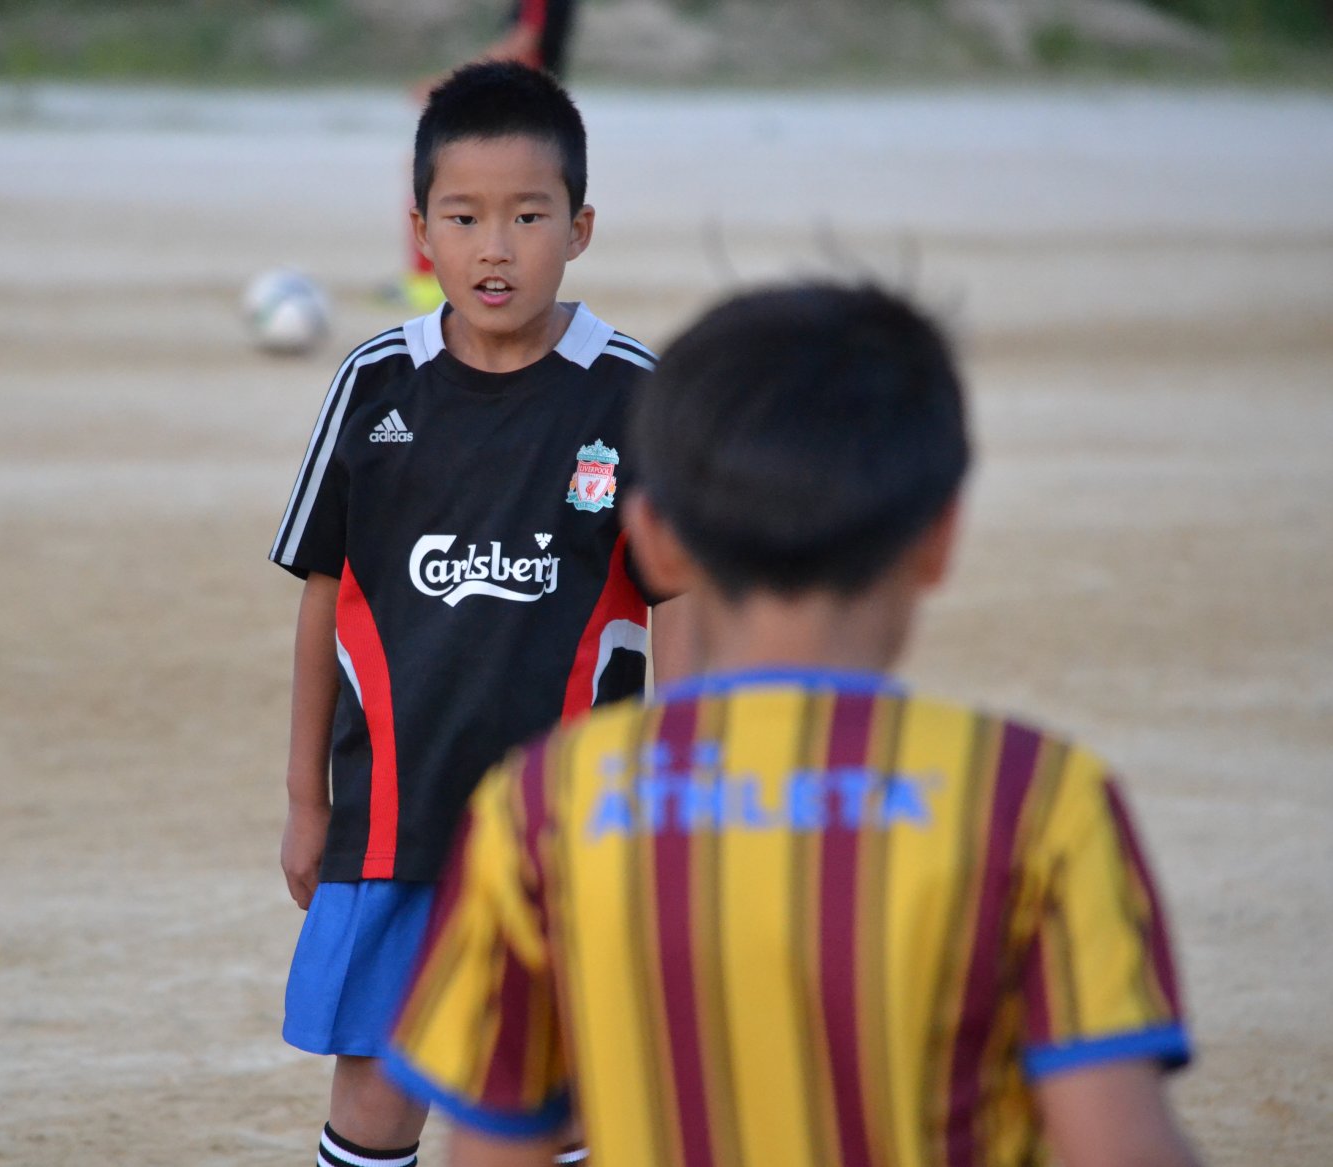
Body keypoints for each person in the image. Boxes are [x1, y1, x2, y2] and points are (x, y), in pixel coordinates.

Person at [386, 282, 1204, 1167]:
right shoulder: (1034, 798)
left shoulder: (541, 804)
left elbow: (495, 1149)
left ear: (655, 540)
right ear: (938, 537)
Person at [268, 61, 685, 1167]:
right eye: (462, 217)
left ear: (580, 227)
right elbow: (323, 600)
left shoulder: (630, 395)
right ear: (421, 231)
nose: (493, 247)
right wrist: (305, 799)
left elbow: (681, 612)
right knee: (373, 1102)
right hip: (390, 824)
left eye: (526, 216)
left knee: (553, 1106)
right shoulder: (373, 385)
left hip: (571, 834)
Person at [399, 2, 582, 313]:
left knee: (434, 171)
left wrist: (452, 85)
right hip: (536, 98)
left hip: (516, 102)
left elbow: (525, 41)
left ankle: (425, 284)